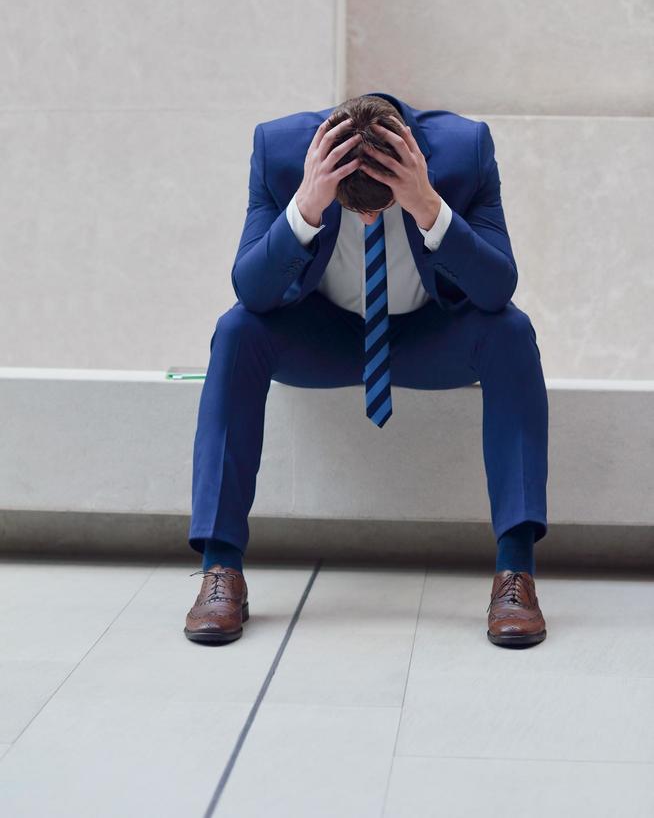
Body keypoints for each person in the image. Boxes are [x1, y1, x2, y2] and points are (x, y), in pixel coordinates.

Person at [184, 91, 548, 648]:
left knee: (512, 332)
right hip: (324, 334)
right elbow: (252, 292)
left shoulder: (465, 151)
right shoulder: (280, 151)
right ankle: (220, 568)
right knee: (236, 331)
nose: (373, 219)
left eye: (384, 208)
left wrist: (426, 204)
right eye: (359, 213)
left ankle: (515, 571)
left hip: (427, 334)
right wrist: (307, 205)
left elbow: (497, 289)